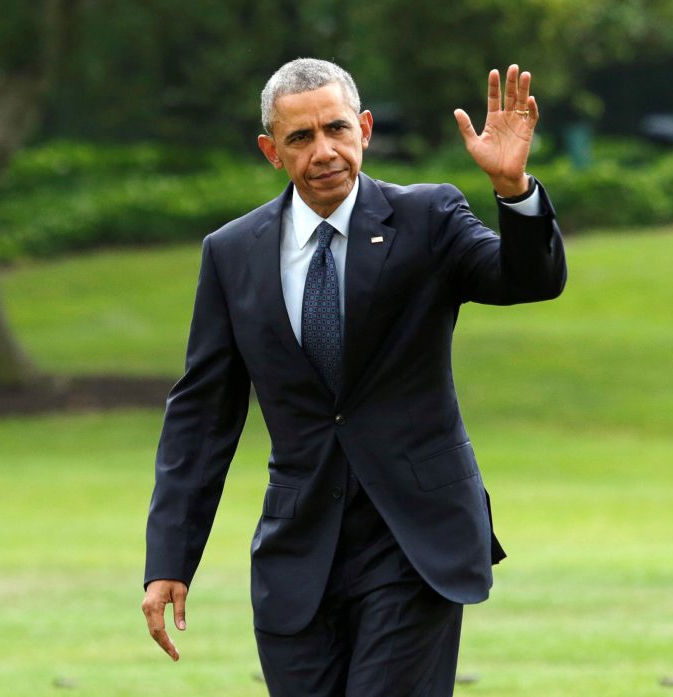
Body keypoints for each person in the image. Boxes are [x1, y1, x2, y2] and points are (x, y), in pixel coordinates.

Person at [141, 58, 566, 696]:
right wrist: (170, 558)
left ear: (364, 128)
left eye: (337, 129)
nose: (325, 152)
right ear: (270, 152)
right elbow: (202, 417)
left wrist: (513, 192)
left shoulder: (428, 218)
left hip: (413, 540)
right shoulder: (232, 254)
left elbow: (527, 280)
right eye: (301, 138)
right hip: (299, 550)